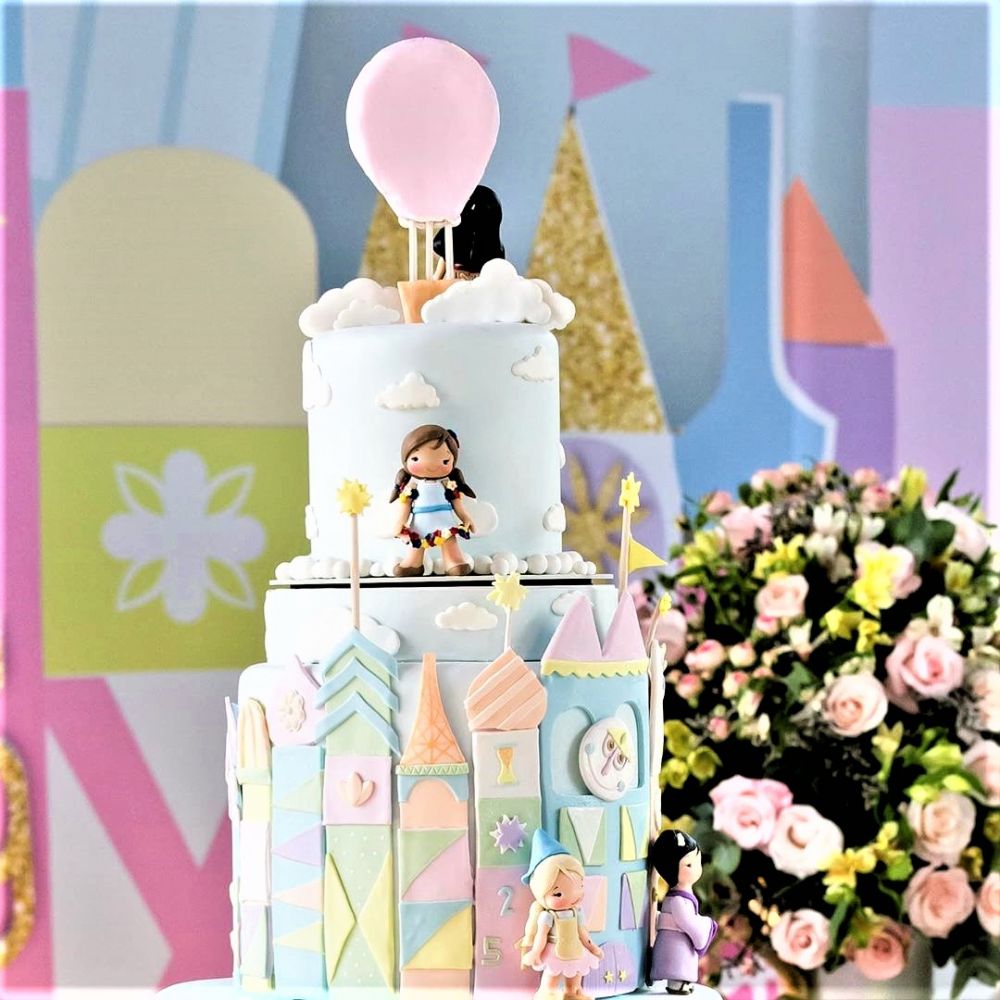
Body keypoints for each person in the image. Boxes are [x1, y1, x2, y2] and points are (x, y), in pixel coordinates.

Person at [520, 830, 603, 1000]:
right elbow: (542, 936)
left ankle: (573, 992)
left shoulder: (577, 913)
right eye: (558, 894)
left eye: (580, 886)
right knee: (552, 976)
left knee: (575, 977)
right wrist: (536, 952)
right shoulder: (547, 916)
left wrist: (592, 947)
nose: (574, 896)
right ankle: (547, 993)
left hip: (576, 951)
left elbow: (583, 934)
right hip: (554, 951)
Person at [649, 830, 717, 995]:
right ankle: (676, 984)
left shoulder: (682, 896)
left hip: (681, 940)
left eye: (697, 860)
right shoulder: (677, 900)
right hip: (675, 941)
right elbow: (687, 921)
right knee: (677, 963)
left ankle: (682, 983)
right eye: (689, 865)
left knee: (683, 961)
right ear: (671, 870)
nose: (697, 868)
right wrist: (705, 925)